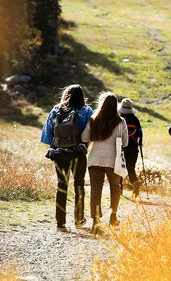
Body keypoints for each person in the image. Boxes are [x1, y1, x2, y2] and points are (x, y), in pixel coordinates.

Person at [41, 84, 94, 231]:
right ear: (82, 96)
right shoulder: (87, 110)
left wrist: (57, 144)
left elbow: (47, 135)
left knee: (61, 186)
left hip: (59, 154)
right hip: (78, 153)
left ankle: (60, 222)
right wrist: (84, 146)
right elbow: (91, 133)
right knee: (79, 185)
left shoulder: (56, 109)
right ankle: (78, 219)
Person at [81, 92, 129, 235]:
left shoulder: (94, 119)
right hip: (113, 161)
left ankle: (96, 223)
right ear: (116, 105)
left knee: (96, 190)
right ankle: (113, 217)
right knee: (115, 187)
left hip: (95, 160)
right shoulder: (121, 122)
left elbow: (84, 137)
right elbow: (125, 143)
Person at [118, 98, 143, 197]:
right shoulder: (135, 119)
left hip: (121, 147)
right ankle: (135, 186)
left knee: (119, 168)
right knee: (131, 168)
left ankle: (119, 190)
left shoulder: (119, 118)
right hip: (133, 148)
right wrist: (140, 143)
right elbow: (140, 133)